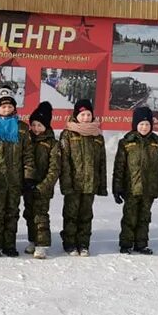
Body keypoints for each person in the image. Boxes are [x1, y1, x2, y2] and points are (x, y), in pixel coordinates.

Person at [0, 91, 35, 257]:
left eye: (10, 106)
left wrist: (28, 175)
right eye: (3, 106)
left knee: (12, 213)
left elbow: (28, 153)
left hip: (15, 179)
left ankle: (9, 245)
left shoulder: (22, 128)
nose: (6, 109)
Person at [112, 106, 158, 254]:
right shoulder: (126, 142)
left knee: (144, 218)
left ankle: (141, 244)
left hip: (149, 189)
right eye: (141, 124)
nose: (144, 127)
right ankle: (126, 244)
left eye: (147, 124)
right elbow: (119, 168)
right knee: (129, 217)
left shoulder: (157, 143)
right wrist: (117, 188)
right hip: (131, 188)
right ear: (135, 125)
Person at [58, 99, 106, 256]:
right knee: (71, 214)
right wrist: (66, 184)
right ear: (76, 115)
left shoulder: (97, 136)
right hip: (73, 183)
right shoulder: (68, 134)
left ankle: (83, 243)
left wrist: (102, 185)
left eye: (88, 114)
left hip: (90, 183)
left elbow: (102, 163)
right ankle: (70, 243)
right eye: (82, 114)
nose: (85, 117)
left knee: (86, 215)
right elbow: (64, 162)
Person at [23, 101, 60, 259]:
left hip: (43, 187)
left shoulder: (52, 143)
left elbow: (55, 168)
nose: (36, 128)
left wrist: (44, 185)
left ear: (46, 126)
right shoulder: (27, 140)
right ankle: (33, 240)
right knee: (29, 214)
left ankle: (42, 245)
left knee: (41, 215)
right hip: (28, 184)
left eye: (40, 125)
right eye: (34, 124)